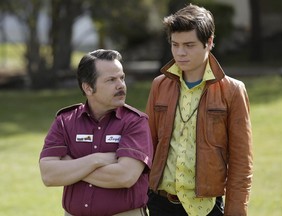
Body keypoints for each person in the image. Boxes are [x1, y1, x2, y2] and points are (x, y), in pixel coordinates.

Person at [145, 3, 253, 216]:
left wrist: (236, 211)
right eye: (175, 45)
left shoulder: (232, 91)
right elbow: (147, 145)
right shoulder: (159, 85)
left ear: (209, 42)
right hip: (160, 204)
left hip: (205, 207)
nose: (180, 52)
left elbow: (242, 163)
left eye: (189, 45)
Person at [39, 49, 153, 216]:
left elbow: (125, 176)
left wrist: (72, 167)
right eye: (111, 80)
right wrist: (96, 159)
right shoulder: (65, 121)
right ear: (88, 88)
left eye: (122, 78)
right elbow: (49, 175)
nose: (121, 85)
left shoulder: (135, 122)